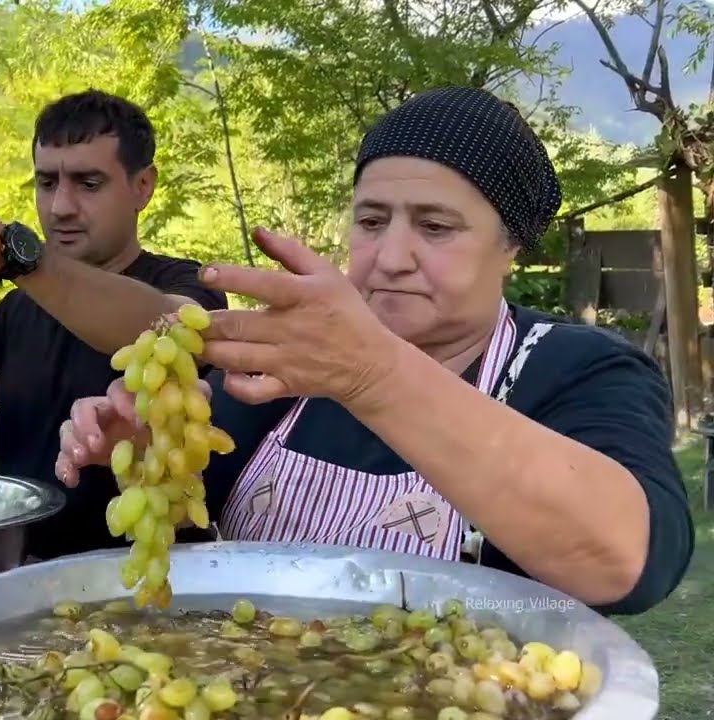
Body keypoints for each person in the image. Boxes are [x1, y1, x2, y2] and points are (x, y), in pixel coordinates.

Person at [53, 86, 693, 615]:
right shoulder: (280, 374)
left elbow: (626, 563)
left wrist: (373, 376)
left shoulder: (579, 369)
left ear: (511, 246)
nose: (390, 258)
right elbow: (205, 561)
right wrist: (155, 458)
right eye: (371, 221)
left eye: (435, 227)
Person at [0, 89, 228, 560]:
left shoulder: (187, 283)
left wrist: (13, 254)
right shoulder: (16, 310)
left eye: (88, 183)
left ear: (142, 186)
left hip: (153, 578)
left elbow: (164, 332)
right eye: (47, 182)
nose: (60, 207)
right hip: (28, 579)